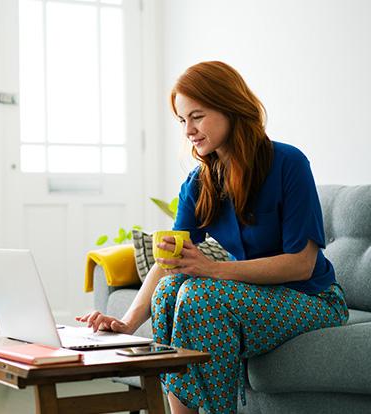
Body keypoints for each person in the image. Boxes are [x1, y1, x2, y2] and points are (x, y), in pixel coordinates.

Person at [76, 61, 349, 414]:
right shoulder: (199, 182)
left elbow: (301, 264)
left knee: (201, 293)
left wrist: (212, 270)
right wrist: (128, 322)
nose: (188, 129)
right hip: (252, 296)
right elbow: (168, 262)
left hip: (313, 299)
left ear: (230, 108)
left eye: (197, 116)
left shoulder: (288, 163)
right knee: (171, 291)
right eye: (182, 120)